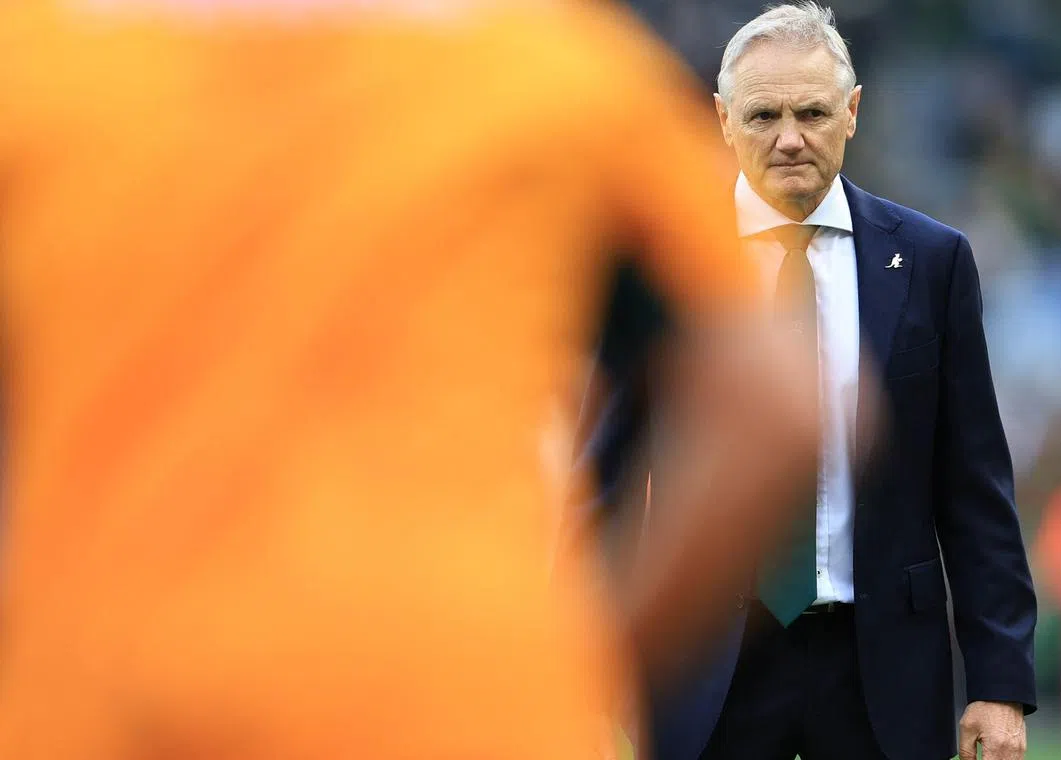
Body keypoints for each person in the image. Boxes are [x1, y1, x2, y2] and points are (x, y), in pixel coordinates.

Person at [0, 1, 826, 758]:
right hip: (447, 696)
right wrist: (594, 661)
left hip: (98, 694)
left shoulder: (35, 65)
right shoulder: (553, 68)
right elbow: (778, 401)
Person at [576, 3, 1038, 760]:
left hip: (880, 667)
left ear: (852, 113)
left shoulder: (930, 261)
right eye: (763, 116)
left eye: (813, 112)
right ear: (722, 119)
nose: (789, 138)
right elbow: (606, 479)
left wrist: (999, 681)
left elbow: (975, 488)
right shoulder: (665, 262)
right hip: (706, 672)